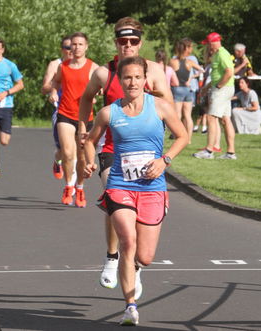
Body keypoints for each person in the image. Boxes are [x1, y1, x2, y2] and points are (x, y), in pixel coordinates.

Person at [84, 56, 188, 325]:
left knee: (145, 256)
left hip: (152, 187)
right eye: (127, 77)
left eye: (137, 77)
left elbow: (183, 136)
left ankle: (135, 267)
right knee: (127, 241)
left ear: (145, 80)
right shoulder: (109, 112)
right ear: (120, 80)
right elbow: (91, 139)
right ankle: (130, 306)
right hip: (120, 185)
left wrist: (164, 160)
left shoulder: (160, 107)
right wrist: (88, 161)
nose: (132, 82)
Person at [79, 17, 173, 292]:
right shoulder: (103, 73)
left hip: (145, 152)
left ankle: (133, 265)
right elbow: (86, 98)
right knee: (114, 192)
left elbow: (168, 104)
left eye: (133, 41)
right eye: (122, 40)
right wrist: (83, 127)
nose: (127, 46)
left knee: (141, 242)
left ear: (140, 43)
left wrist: (150, 93)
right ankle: (112, 256)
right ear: (115, 42)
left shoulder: (153, 70)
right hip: (111, 149)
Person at [50, 32, 99, 207]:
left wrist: (96, 94)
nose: (76, 47)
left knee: (82, 158)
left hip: (85, 118)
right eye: (74, 44)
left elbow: (101, 87)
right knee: (68, 153)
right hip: (65, 113)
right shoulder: (63, 66)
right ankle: (68, 186)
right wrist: (54, 91)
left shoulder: (94, 67)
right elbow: (55, 82)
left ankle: (80, 187)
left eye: (80, 44)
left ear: (86, 46)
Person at [0, 37, 24, 178]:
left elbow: (20, 84)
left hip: (6, 105)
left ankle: (3, 128)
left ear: (3, 50)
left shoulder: (10, 65)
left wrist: (5, 93)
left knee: (4, 141)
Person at [193, 32, 236, 160]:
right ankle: (231, 153)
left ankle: (209, 150)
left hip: (222, 89)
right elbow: (219, 74)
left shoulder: (222, 54)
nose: (207, 47)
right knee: (225, 119)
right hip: (225, 88)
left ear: (213, 42)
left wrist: (218, 87)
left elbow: (229, 72)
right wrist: (207, 87)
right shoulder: (218, 54)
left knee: (211, 117)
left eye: (208, 44)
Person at [41, 35, 73, 180]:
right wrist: (56, 84)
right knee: (63, 149)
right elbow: (44, 88)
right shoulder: (56, 64)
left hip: (79, 111)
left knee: (77, 149)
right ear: (62, 50)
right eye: (67, 47)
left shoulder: (85, 65)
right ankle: (57, 159)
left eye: (74, 46)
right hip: (61, 110)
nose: (71, 50)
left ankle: (72, 185)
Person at [169, 38, 204, 143]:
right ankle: (188, 139)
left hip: (177, 89)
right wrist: (192, 77)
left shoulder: (172, 61)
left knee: (178, 115)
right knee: (188, 116)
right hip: (188, 89)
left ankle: (177, 136)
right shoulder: (190, 62)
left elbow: (167, 72)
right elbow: (202, 70)